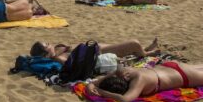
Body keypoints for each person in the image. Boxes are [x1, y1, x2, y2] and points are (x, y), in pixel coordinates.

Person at [87, 60, 203, 102]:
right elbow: (99, 80)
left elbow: (126, 99)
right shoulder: (122, 71)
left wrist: (102, 92)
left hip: (182, 77)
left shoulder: (138, 82)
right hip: (169, 67)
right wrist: (92, 85)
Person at [30, 38, 160, 62]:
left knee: (125, 47)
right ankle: (146, 53)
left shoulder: (57, 51)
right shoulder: (57, 58)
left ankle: (144, 50)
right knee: (134, 43)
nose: (50, 43)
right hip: (99, 53)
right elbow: (70, 63)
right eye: (47, 44)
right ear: (46, 54)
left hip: (97, 47)